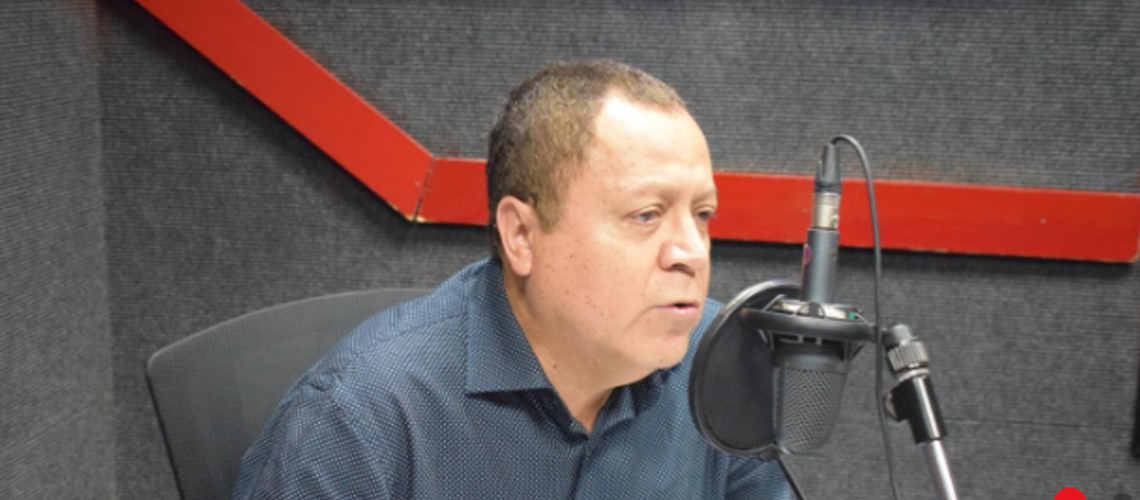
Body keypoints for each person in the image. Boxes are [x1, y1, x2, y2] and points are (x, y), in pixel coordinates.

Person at [231, 59, 790, 499]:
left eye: (702, 215)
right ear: (521, 235)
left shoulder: (718, 370)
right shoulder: (359, 421)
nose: (691, 252)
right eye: (646, 215)